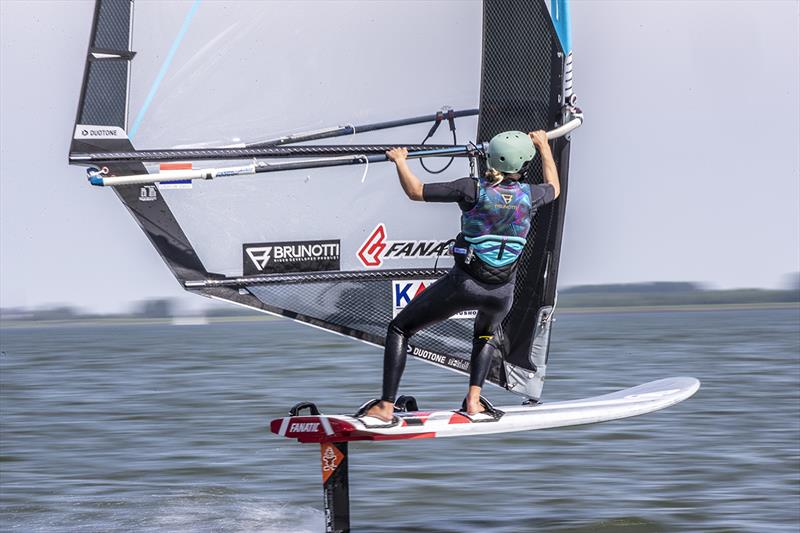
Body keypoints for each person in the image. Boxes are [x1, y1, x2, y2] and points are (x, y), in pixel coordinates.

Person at [356, 130, 560, 426]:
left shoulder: (472, 189)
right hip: (502, 294)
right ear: (522, 166)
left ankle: (386, 406)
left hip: (465, 286)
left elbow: (416, 191)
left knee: (400, 329)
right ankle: (474, 402)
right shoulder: (532, 195)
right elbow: (554, 185)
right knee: (485, 334)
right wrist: (543, 145)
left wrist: (400, 161)